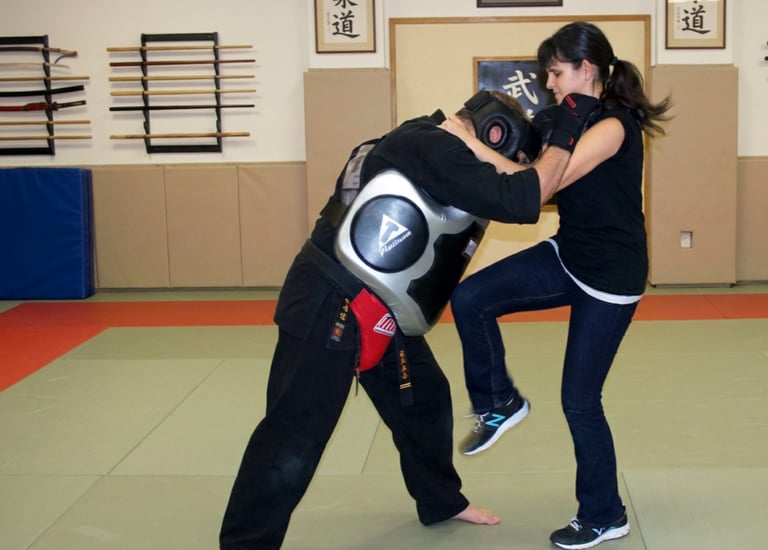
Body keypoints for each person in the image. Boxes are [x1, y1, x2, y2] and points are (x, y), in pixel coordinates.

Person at [219, 88, 600, 549]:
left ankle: (440, 500)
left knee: (425, 402)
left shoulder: (434, 147)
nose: (507, 164)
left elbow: (520, 193)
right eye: (513, 154)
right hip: (330, 303)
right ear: (495, 130)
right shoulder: (430, 144)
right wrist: (565, 134)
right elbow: (520, 201)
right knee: (293, 437)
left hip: (385, 307)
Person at [443, 22, 672, 550]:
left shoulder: (612, 127)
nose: (548, 83)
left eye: (555, 72)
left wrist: (472, 146)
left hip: (609, 278)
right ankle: (499, 402)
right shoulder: (566, 119)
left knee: (580, 400)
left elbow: (542, 188)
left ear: (586, 70)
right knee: (469, 298)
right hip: (569, 254)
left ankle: (605, 514)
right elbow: (535, 177)